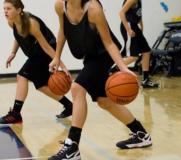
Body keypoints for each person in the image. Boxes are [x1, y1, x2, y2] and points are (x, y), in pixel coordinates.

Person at [48, 0, 152, 159]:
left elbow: (109, 42)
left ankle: (72, 146)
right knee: (105, 102)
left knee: (77, 88)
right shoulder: (60, 6)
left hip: (103, 55)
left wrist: (124, 68)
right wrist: (56, 57)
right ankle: (141, 135)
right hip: (90, 56)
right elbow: (62, 30)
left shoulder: (93, 9)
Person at [1, 0, 73, 125]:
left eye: (9, 8)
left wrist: (61, 64)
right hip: (36, 53)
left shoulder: (31, 23)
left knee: (21, 76)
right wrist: (13, 52)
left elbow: (45, 46)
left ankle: (15, 114)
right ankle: (69, 106)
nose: (5, 11)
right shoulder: (11, 22)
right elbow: (18, 36)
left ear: (19, 10)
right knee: (41, 86)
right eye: (4, 9)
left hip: (46, 50)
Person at [119, 0, 159, 88]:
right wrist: (128, 29)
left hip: (135, 27)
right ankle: (113, 69)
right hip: (129, 27)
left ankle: (145, 80)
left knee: (146, 51)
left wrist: (141, 28)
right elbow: (121, 13)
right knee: (134, 56)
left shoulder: (139, 1)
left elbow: (139, 15)